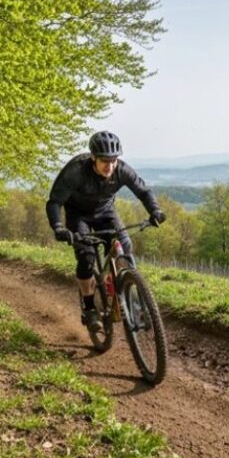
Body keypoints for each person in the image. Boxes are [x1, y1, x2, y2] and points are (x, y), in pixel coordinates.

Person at [46, 131, 166, 331]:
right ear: (93, 158)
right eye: (104, 161)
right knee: (86, 257)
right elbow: (55, 202)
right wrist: (58, 227)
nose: (109, 166)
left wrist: (155, 210)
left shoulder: (122, 170)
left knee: (124, 245)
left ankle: (127, 293)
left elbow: (143, 191)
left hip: (106, 211)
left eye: (113, 160)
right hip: (78, 215)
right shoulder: (76, 171)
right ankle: (89, 306)